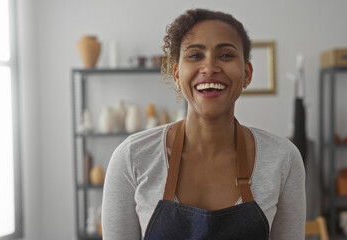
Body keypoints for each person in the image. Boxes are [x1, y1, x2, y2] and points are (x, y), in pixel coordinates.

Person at [102, 8, 306, 240]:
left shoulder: (283, 158)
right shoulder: (132, 157)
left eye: (226, 55)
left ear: (247, 74)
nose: (209, 68)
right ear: (177, 75)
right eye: (195, 55)